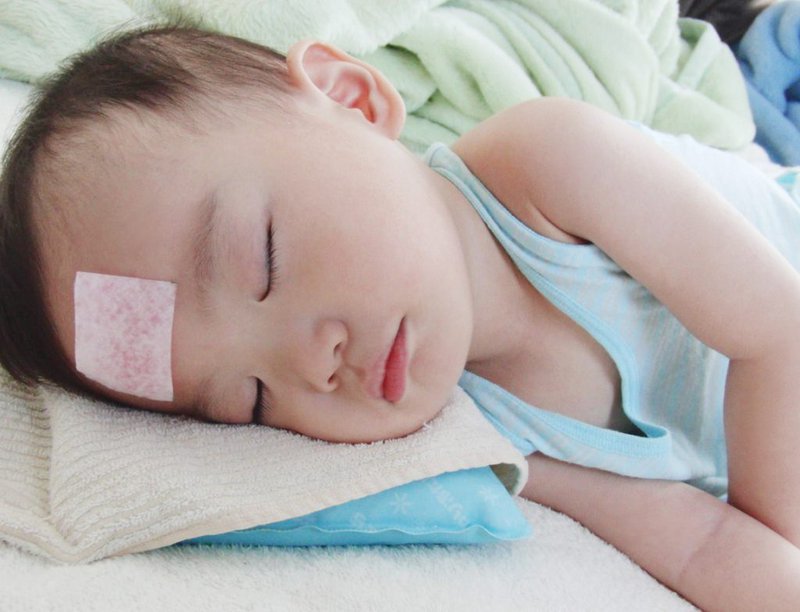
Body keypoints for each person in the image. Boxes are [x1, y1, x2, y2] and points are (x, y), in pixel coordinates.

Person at [1, 26, 798, 609]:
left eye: (264, 260)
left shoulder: (549, 165)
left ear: (351, 99)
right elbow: (702, 545)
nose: (310, 365)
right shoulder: (476, 435)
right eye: (250, 399)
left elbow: (777, 331)